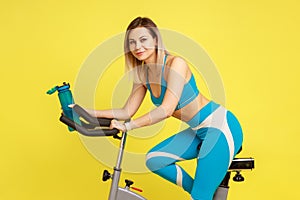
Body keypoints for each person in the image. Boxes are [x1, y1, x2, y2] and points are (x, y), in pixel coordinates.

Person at [86, 17, 243, 200]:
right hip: (198, 131)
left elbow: (166, 110)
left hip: (220, 128)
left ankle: (201, 194)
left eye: (143, 40)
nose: (138, 46)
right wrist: (86, 112)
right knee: (155, 159)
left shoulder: (176, 64)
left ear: (156, 40)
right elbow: (126, 112)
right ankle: (200, 194)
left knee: (201, 195)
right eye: (132, 42)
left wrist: (129, 126)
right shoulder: (142, 74)